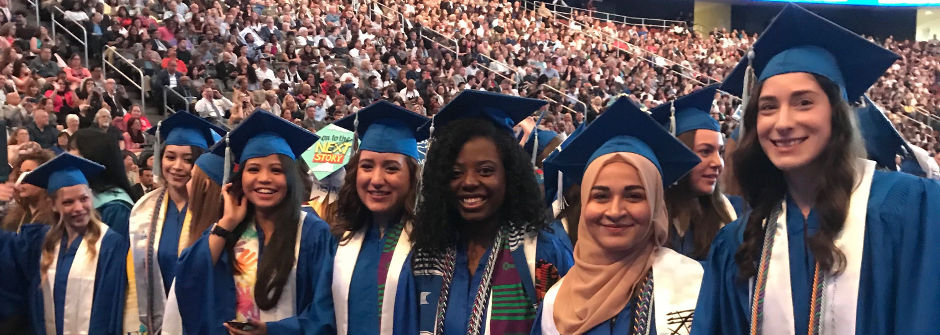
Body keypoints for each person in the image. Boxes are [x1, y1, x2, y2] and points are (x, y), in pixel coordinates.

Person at [692, 5, 940, 334]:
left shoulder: (912, 208)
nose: (782, 122)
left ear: (836, 115)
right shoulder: (739, 242)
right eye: (768, 107)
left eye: (803, 102)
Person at [534, 95, 704, 335]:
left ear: (656, 206)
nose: (615, 211)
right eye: (600, 196)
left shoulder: (694, 285)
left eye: (634, 196)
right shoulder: (555, 302)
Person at [409, 90, 574, 334]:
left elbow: (561, 326)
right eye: (455, 173)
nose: (469, 182)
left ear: (510, 175)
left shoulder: (540, 253)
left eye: (485, 171)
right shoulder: (429, 252)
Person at [173, 111, 336, 334]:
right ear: (241, 177)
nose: (264, 179)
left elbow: (325, 311)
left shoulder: (313, 232)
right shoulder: (230, 229)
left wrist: (273, 331)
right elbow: (188, 282)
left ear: (290, 178)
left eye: (276, 170)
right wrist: (227, 222)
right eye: (253, 169)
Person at [328, 101, 429, 334]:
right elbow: (321, 315)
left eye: (391, 168)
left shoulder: (430, 243)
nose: (376, 179)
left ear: (412, 177)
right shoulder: (337, 238)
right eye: (366, 166)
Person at [0, 153, 128, 334]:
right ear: (53, 204)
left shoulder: (110, 245)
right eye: (68, 202)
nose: (78, 208)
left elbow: (108, 311)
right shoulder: (42, 242)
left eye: (83, 199)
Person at [124, 112, 226, 333]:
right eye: (170, 157)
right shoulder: (143, 209)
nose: (177, 166)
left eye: (189, 159)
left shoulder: (216, 210)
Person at [649, 84, 742, 261]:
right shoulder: (647, 221)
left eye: (720, 152)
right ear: (677, 156)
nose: (718, 163)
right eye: (706, 151)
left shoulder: (729, 216)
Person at [69, 128, 138, 237]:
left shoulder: (116, 207)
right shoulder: (86, 194)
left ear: (91, 154)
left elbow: (113, 250)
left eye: (73, 148)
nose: (68, 154)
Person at [1, 149, 54, 231]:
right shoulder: (17, 212)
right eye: (20, 173)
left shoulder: (55, 216)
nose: (21, 180)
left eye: (28, 173)